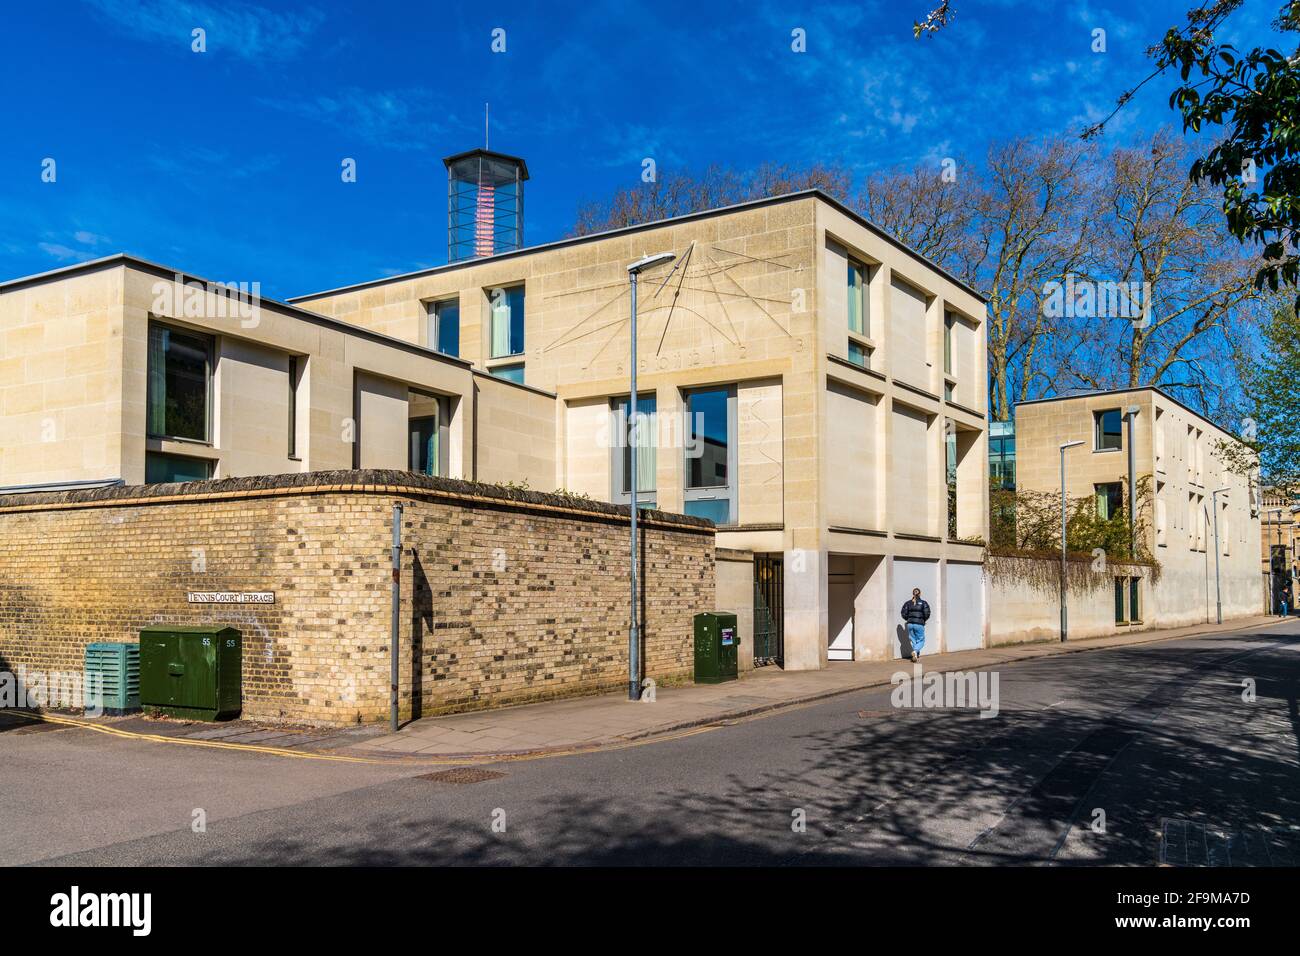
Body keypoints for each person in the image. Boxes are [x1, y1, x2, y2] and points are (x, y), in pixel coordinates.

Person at [901, 587, 931, 663]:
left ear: (913, 593)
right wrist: (923, 620)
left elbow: (903, 613)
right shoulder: (924, 603)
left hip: (910, 624)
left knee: (914, 640)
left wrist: (909, 619)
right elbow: (927, 613)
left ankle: (916, 656)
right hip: (919, 624)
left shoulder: (907, 603)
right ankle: (915, 651)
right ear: (920, 593)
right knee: (921, 640)